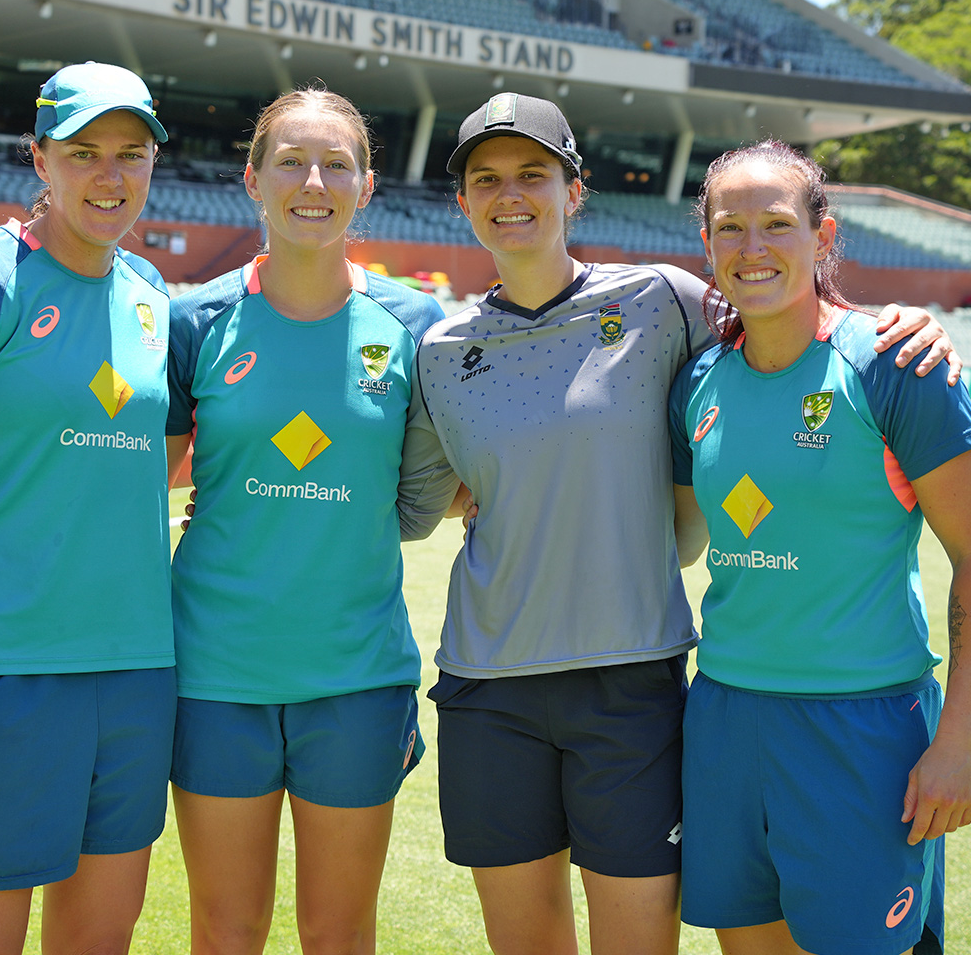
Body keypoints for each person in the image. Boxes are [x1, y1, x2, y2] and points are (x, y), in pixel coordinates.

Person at [410, 93, 962, 955]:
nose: (751, 248)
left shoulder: (680, 306)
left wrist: (902, 323)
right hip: (663, 708)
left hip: (753, 701)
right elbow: (431, 488)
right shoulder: (456, 349)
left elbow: (792, 321)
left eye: (775, 224)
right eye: (488, 178)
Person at [164, 85, 458, 955]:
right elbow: (142, 477)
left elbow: (424, 498)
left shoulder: (414, 324)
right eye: (290, 161)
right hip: (215, 674)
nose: (313, 181)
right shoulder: (196, 321)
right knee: (226, 930)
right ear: (253, 180)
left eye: (337, 163)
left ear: (366, 186)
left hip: (357, 677)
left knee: (338, 933)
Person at [0, 62, 175, 954]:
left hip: (135, 677)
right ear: (40, 159)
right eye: (84, 151)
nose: (110, 174)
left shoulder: (152, 299)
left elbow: (144, 471)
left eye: (131, 154)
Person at [669, 140, 971, 955]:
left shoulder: (897, 367)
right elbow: (671, 534)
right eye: (730, 228)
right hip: (727, 718)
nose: (752, 248)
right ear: (706, 244)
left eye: (776, 224)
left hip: (864, 726)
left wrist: (962, 740)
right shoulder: (696, 384)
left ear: (823, 236)